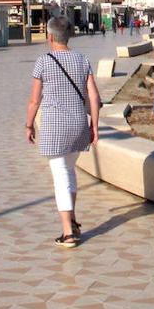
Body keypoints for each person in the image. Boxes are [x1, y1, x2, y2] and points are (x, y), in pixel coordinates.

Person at [24, 15, 100, 248]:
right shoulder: (82, 59)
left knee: (60, 176)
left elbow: (34, 101)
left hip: (55, 127)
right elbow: (94, 96)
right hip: (78, 124)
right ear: (69, 36)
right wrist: (94, 126)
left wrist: (28, 125)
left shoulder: (43, 61)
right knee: (69, 171)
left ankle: (68, 232)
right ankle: (73, 220)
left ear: (49, 36)